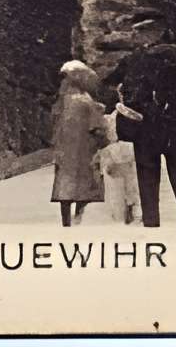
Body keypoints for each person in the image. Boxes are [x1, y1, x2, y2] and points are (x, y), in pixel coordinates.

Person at [103, 7, 176, 229]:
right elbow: (108, 85)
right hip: (154, 128)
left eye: (141, 31)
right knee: (162, 181)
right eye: (136, 32)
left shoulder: (173, 54)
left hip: (166, 127)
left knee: (168, 180)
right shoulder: (137, 59)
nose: (136, 36)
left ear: (156, 31)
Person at [50, 60, 108, 228]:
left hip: (64, 150)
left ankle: (66, 222)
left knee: (65, 186)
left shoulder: (62, 103)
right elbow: (97, 128)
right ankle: (78, 218)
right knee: (84, 186)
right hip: (85, 151)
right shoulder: (86, 102)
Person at [98, 104, 142, 224]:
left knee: (116, 187)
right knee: (131, 183)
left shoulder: (106, 118)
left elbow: (106, 138)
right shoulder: (124, 113)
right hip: (128, 150)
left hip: (113, 152)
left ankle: (122, 214)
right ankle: (131, 210)